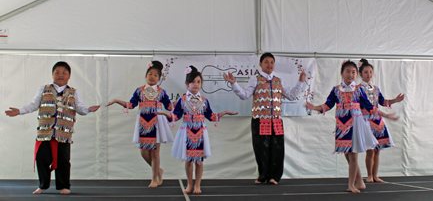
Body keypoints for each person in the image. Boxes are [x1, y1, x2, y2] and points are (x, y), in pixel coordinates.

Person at [5, 61, 100, 195]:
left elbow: (80, 108)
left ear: (69, 75)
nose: (60, 75)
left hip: (63, 132)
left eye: (64, 72)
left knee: (63, 160)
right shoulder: (43, 89)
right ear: (52, 74)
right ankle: (43, 185)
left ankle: (64, 186)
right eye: (57, 72)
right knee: (42, 158)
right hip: (45, 131)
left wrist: (88, 110)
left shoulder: (73, 92)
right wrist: (20, 111)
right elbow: (33, 105)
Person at [305, 60, 397, 193]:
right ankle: (360, 182)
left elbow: (370, 107)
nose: (351, 74)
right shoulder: (336, 90)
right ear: (342, 73)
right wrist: (315, 107)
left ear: (356, 74)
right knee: (348, 156)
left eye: (353, 72)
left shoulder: (359, 90)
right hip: (341, 126)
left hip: (355, 125)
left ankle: (351, 185)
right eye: (348, 71)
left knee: (353, 156)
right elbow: (328, 105)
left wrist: (386, 115)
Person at [223, 52, 306, 185]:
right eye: (266, 62)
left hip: (276, 120)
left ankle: (274, 176)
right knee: (261, 148)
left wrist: (300, 82)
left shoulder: (279, 81)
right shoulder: (255, 79)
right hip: (260, 119)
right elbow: (245, 95)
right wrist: (234, 84)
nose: (269, 64)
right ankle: (263, 175)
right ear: (260, 64)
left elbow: (291, 95)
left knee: (277, 148)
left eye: (272, 62)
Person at [157, 65, 237, 194]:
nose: (196, 84)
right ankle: (189, 184)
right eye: (193, 82)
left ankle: (198, 185)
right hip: (186, 133)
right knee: (189, 160)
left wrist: (224, 113)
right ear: (187, 84)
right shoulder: (182, 100)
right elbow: (176, 116)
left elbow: (211, 116)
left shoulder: (204, 101)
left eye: (198, 82)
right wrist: (166, 114)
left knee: (199, 161)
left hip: (200, 133)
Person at [106, 60, 174, 188]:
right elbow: (130, 105)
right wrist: (116, 100)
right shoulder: (139, 91)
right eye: (150, 74)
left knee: (155, 153)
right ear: (146, 75)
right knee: (143, 153)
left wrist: (181, 101)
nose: (152, 76)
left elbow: (169, 107)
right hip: (143, 123)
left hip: (157, 123)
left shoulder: (162, 92)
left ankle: (154, 178)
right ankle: (158, 170)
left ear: (159, 78)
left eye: (155, 75)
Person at [358, 58, 404, 183]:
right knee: (370, 150)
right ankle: (369, 175)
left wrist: (395, 100)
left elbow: (382, 102)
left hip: (377, 120)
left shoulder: (375, 88)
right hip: (366, 119)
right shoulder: (358, 89)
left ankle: (375, 175)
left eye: (371, 72)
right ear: (360, 73)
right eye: (366, 72)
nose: (369, 75)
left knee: (378, 150)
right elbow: (367, 105)